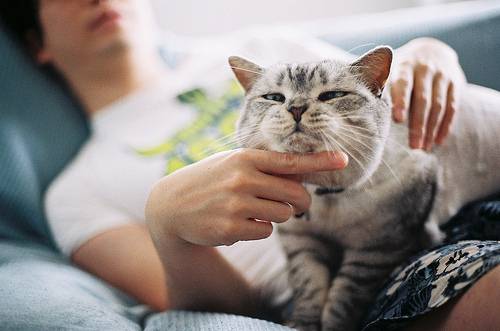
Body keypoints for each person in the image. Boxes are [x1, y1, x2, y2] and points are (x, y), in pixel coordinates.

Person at [1, 0, 499, 330]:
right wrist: (167, 225)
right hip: (382, 277)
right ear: (35, 42)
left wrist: (430, 54)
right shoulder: (76, 193)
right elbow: (227, 315)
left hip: (456, 184)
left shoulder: (263, 48)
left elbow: (372, 92)